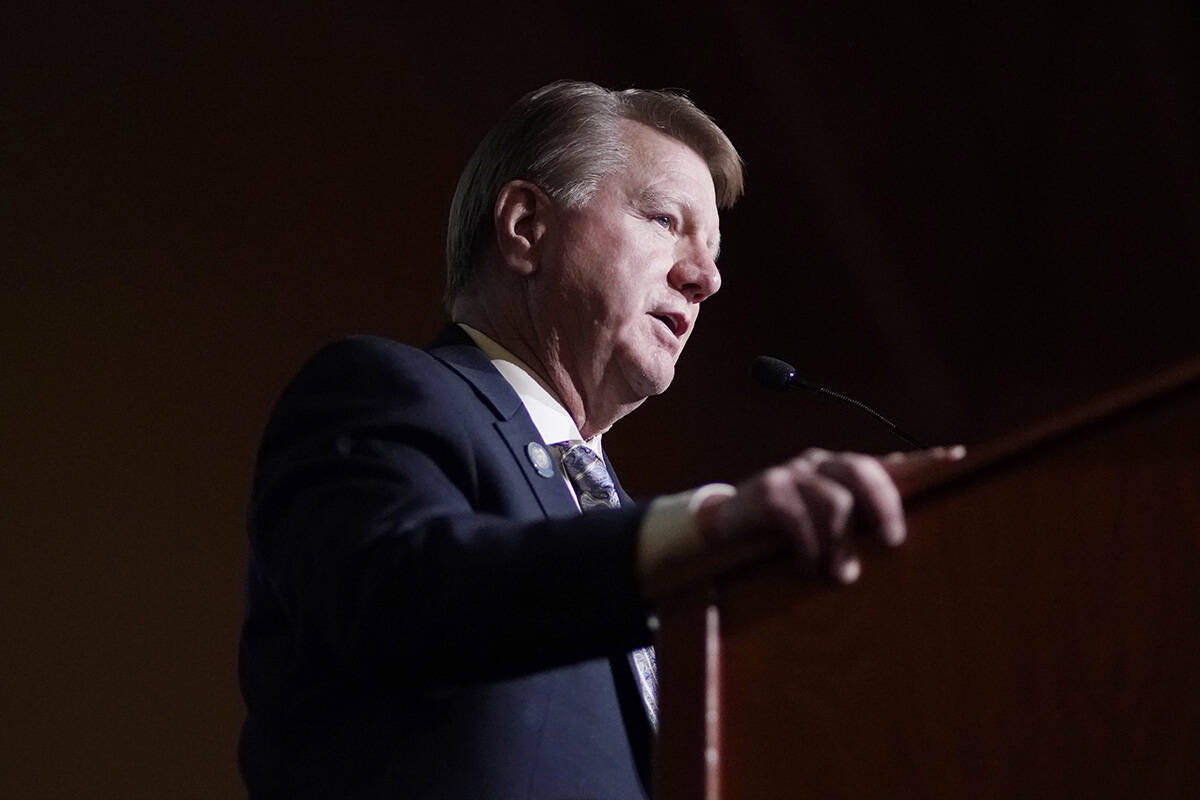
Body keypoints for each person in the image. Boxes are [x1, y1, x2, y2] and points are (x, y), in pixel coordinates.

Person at [238, 80, 959, 799]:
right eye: (665, 220)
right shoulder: (382, 391)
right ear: (526, 227)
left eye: (712, 250)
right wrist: (700, 534)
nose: (706, 278)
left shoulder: (612, 514)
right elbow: (396, 596)